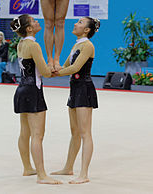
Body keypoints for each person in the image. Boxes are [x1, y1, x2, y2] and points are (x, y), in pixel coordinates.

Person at [10, 14, 62, 185]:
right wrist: (57, 69)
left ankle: (28, 168)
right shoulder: (33, 45)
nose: (38, 21)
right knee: (38, 135)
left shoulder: (21, 44)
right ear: (29, 29)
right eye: (33, 21)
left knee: (25, 132)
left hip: (22, 89)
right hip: (33, 91)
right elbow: (45, 72)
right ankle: (41, 175)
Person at [51, 17, 100, 184]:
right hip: (74, 88)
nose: (75, 24)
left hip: (84, 89)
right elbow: (65, 66)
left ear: (87, 30)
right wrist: (52, 68)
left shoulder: (88, 46)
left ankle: (84, 173)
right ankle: (68, 167)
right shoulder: (77, 44)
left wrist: (54, 74)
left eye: (80, 22)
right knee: (75, 132)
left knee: (85, 133)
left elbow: (75, 68)